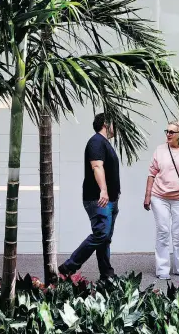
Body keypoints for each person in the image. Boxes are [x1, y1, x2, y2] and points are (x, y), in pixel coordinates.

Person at [59, 113, 120, 280]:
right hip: (99, 199)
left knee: (105, 238)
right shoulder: (96, 142)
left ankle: (107, 275)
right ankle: (68, 266)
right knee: (101, 234)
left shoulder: (104, 143)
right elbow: (97, 167)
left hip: (110, 200)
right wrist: (104, 191)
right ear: (106, 124)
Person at [144, 120, 179, 280]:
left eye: (171, 132)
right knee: (163, 231)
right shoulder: (160, 150)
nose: (168, 134)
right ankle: (162, 269)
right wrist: (147, 195)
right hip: (159, 197)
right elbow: (151, 173)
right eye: (166, 131)